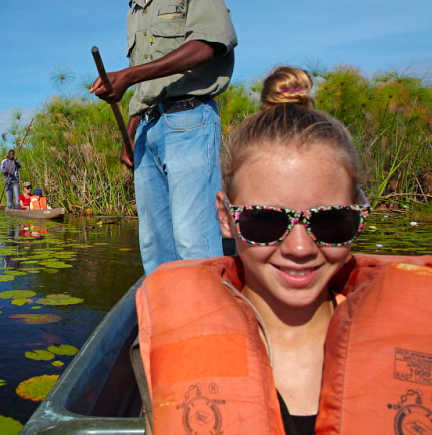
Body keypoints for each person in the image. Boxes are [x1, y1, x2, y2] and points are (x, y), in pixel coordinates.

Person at [134, 66, 432, 434]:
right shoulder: (174, 335)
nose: (300, 248)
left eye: (330, 221)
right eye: (265, 222)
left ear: (359, 214)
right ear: (225, 217)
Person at [90, 0, 237, 275]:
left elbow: (208, 45)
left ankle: (206, 308)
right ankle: (168, 309)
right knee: (155, 243)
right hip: (147, 130)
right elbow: (144, 83)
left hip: (188, 121)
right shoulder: (136, 8)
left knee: (192, 237)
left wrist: (127, 76)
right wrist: (130, 133)